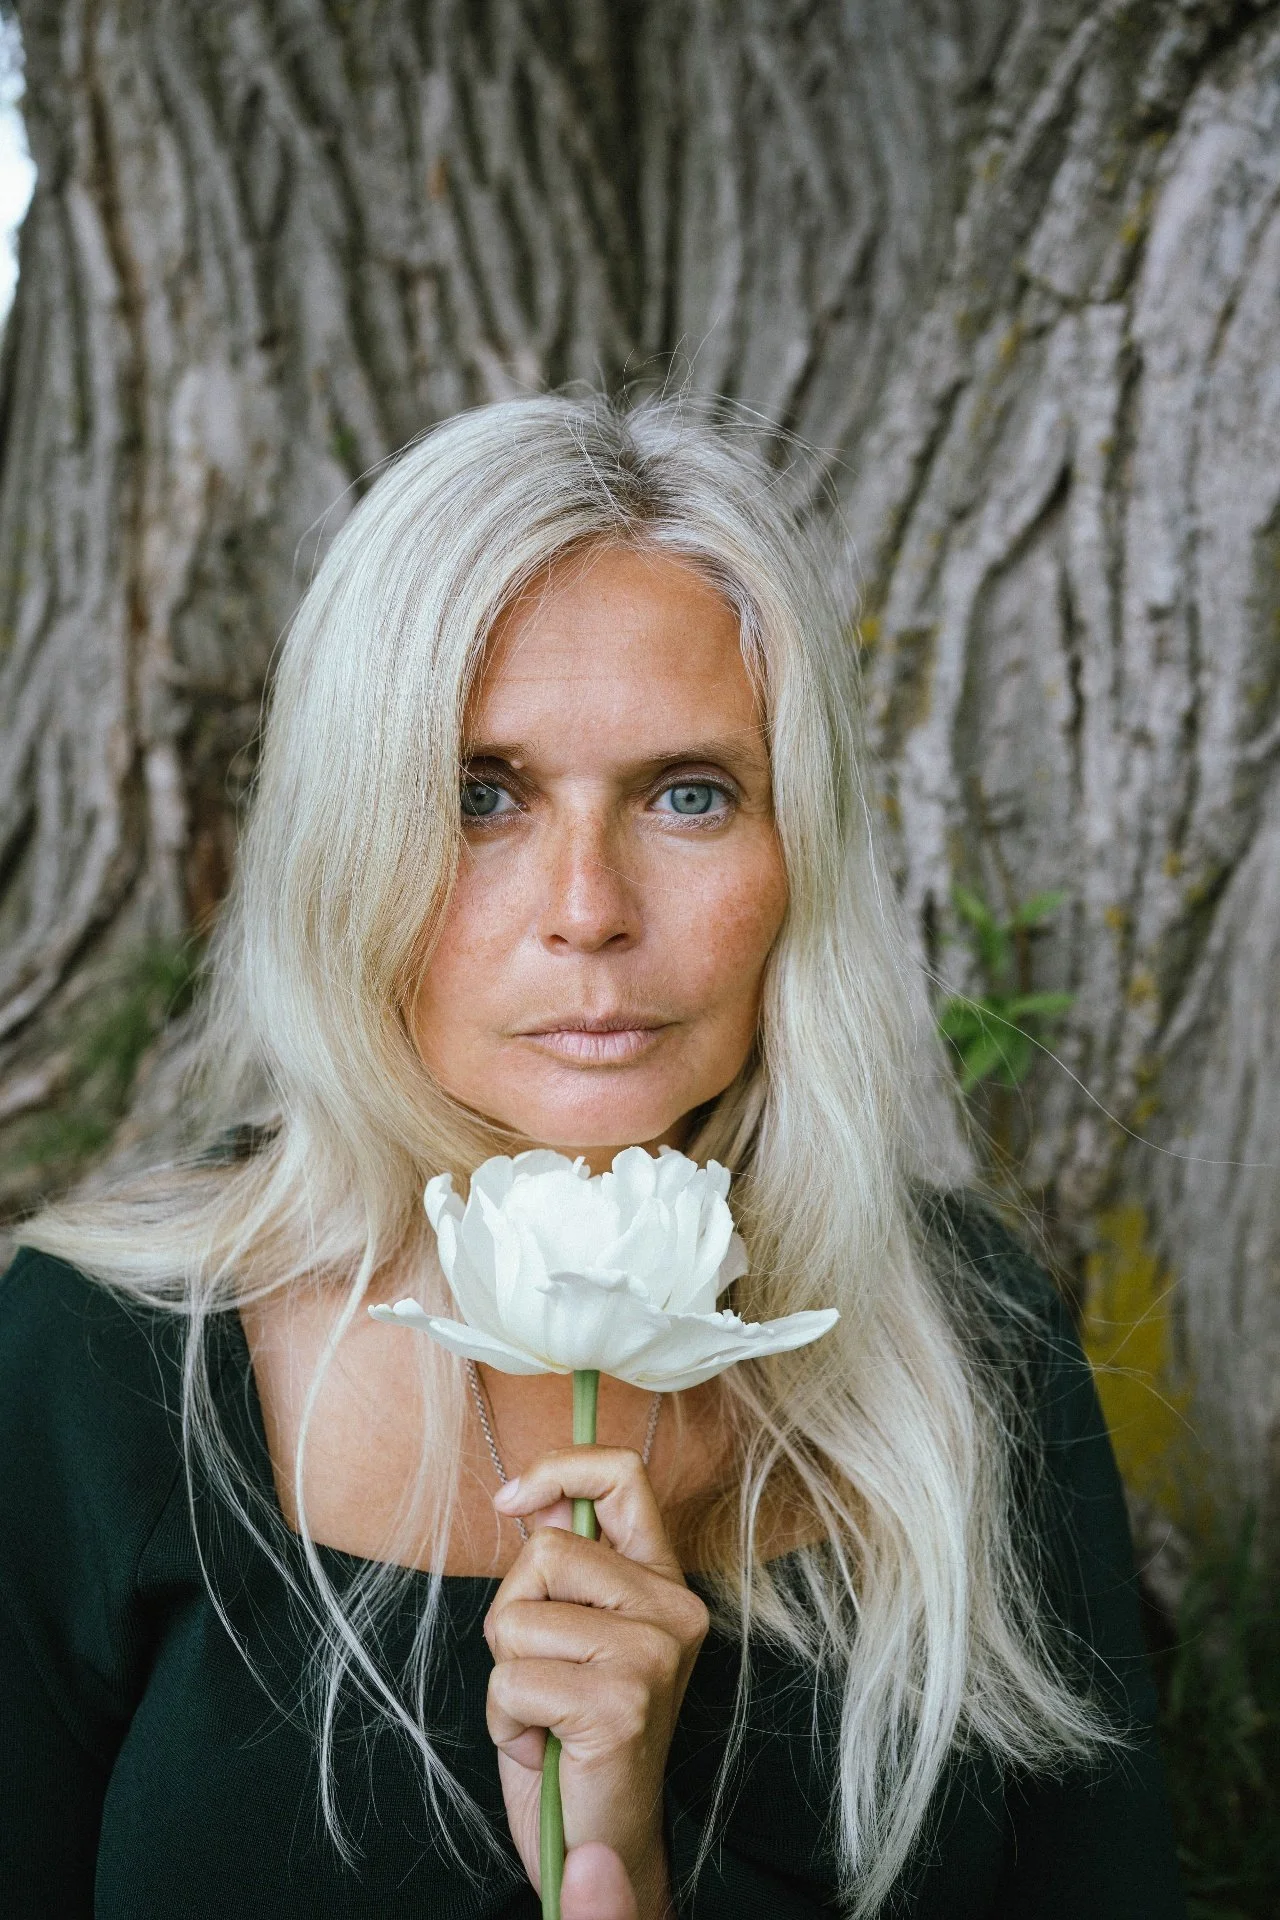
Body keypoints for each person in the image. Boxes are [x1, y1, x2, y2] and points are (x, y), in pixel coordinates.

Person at [0, 394, 1185, 1918]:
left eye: (688, 795)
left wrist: (626, 1874)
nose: (588, 909)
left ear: (798, 853)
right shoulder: (97, 1362)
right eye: (481, 797)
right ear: (346, 833)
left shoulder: (960, 1347)